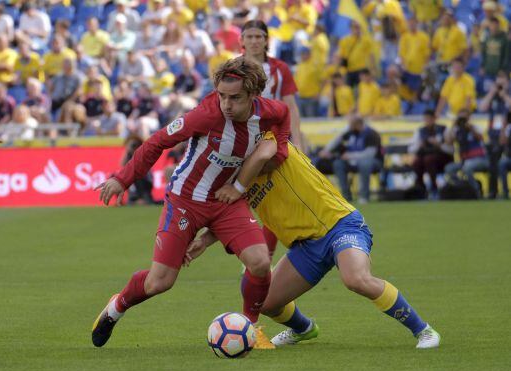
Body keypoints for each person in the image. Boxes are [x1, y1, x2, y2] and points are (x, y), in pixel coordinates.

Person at [91, 57, 290, 347]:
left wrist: (279, 152)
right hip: (185, 200)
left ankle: (251, 327)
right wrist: (123, 179)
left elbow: (284, 118)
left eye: (235, 98)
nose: (226, 104)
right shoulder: (206, 115)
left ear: (253, 95)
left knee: (260, 262)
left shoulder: (270, 111)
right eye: (221, 95)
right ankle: (116, 307)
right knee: (160, 282)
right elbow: (158, 140)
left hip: (227, 201)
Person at [184, 126, 441, 349]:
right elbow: (232, 215)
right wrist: (204, 241)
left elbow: (266, 156)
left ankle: (424, 330)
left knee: (356, 279)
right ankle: (304, 329)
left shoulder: (267, 140)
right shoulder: (236, 178)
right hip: (305, 247)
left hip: (340, 225)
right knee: (266, 302)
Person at [239, 19, 304, 260]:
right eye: (250, 37)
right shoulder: (235, 68)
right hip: (243, 141)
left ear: (267, 40)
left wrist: (295, 141)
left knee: (274, 199)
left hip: (274, 139)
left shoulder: (279, 69)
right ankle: (253, 257)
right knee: (242, 199)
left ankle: (262, 260)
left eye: (259, 37)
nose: (255, 41)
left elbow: (291, 107)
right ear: (242, 41)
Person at [318, 114, 383, 203]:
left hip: (373, 162)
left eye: (351, 125)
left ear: (358, 125)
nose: (349, 128)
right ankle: (346, 196)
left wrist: (351, 155)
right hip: (353, 162)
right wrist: (326, 150)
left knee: (364, 163)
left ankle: (364, 196)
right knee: (338, 163)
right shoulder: (351, 132)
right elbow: (337, 140)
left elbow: (370, 154)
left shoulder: (372, 134)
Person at [409, 109, 453, 198]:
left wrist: (438, 144)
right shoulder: (420, 131)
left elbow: (451, 149)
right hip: (425, 157)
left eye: (429, 118)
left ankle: (434, 187)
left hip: (443, 158)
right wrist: (419, 145)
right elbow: (411, 149)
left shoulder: (444, 129)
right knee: (417, 162)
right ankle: (421, 188)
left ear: (434, 119)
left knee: (429, 159)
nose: (427, 121)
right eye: (425, 119)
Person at [444, 110, 489, 196]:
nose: (463, 121)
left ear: (469, 118)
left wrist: (471, 128)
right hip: (464, 161)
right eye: (461, 118)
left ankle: (476, 192)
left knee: (468, 167)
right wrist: (453, 125)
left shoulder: (475, 127)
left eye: (464, 118)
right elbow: (448, 141)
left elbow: (481, 138)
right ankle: (463, 188)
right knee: (449, 169)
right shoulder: (457, 130)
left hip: (480, 159)